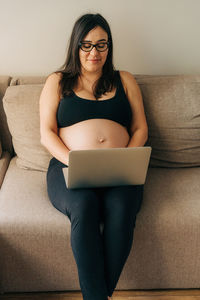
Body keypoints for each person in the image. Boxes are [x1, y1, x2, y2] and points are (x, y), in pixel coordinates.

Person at [39, 13, 148, 300]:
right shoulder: (58, 81)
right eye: (86, 45)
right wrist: (73, 161)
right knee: (84, 206)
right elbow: (47, 133)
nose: (94, 53)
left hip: (120, 169)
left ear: (109, 47)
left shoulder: (124, 79)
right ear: (76, 46)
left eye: (101, 45)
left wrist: (125, 160)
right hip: (68, 167)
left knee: (123, 208)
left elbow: (140, 128)